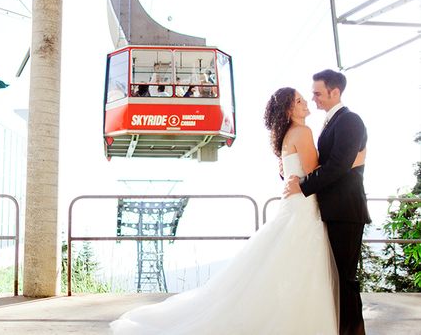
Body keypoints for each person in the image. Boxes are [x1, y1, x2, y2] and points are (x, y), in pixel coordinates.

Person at [110, 87, 340, 334]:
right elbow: (316, 173)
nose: (306, 101)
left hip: (294, 206)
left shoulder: (287, 135)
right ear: (287, 110)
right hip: (303, 208)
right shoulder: (303, 132)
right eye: (298, 100)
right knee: (301, 267)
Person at [284, 69, 371, 335]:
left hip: (346, 211)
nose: (314, 98)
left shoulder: (349, 121)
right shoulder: (330, 123)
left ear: (335, 92)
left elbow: (337, 166)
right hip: (332, 210)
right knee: (336, 278)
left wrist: (302, 184)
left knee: (346, 279)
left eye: (318, 93)